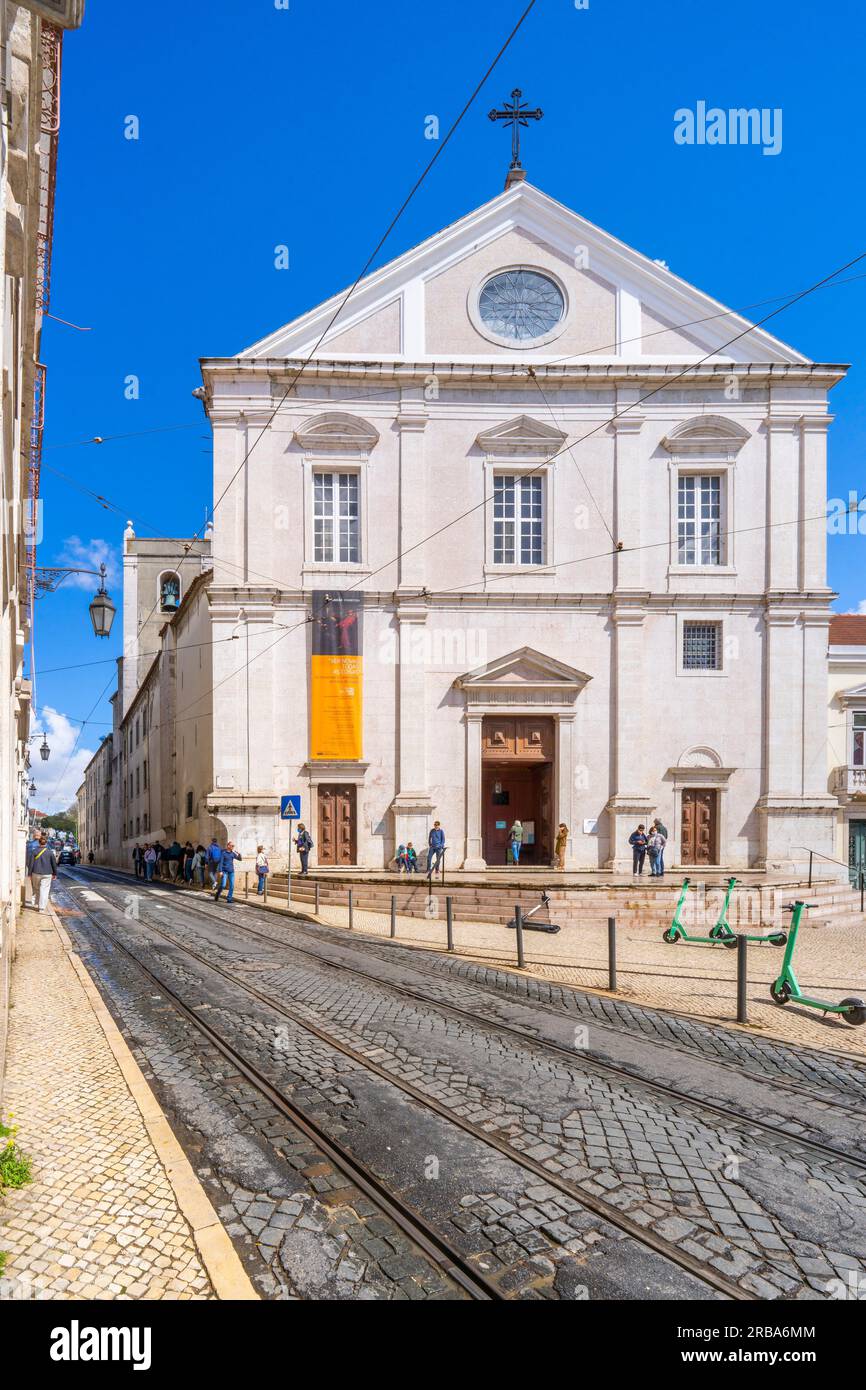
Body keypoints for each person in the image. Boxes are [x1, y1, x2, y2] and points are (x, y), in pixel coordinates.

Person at [27, 834, 58, 912]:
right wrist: (55, 873)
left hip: (35, 873)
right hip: (47, 874)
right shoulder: (50, 852)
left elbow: (31, 863)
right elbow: (54, 864)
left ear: (39, 843)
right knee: (44, 890)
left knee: (36, 889)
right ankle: (41, 908)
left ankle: (36, 903)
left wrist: (29, 874)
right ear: (46, 843)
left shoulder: (34, 851)